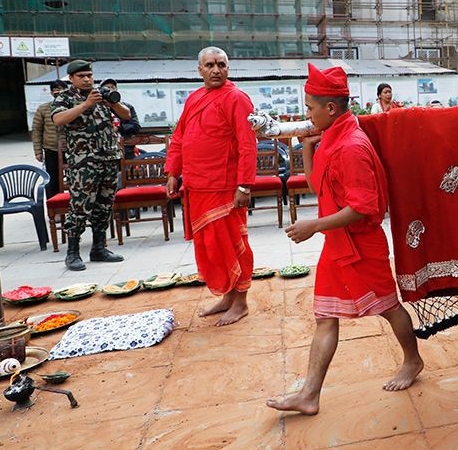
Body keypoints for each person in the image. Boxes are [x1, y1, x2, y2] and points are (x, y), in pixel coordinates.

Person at [267, 64, 423, 415]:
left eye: (310, 108)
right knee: (325, 316)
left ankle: (412, 361)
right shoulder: (331, 138)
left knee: (388, 307)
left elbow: (364, 207)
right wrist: (306, 147)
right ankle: (309, 393)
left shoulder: (350, 146)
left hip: (362, 245)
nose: (306, 114)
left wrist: (315, 225)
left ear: (331, 109)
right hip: (338, 245)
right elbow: (316, 185)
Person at [165, 47, 257, 326]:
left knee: (232, 244)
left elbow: (247, 143)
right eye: (210, 65)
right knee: (211, 247)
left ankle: (240, 303)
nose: (216, 70)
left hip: (224, 188)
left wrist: (244, 185)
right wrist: (172, 172)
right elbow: (179, 138)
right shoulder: (194, 98)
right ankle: (228, 297)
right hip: (197, 186)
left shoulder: (237, 99)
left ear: (228, 68)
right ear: (200, 70)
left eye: (221, 65)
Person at [51, 60, 129, 271]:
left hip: (109, 160)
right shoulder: (65, 98)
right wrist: (85, 105)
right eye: (81, 76)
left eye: (89, 75)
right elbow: (58, 120)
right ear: (71, 79)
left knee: (104, 205)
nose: (87, 79)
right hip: (84, 164)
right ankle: (73, 253)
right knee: (80, 207)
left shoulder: (101, 94)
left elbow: (126, 115)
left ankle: (99, 248)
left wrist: (112, 102)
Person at [32, 80, 68, 195]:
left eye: (62, 89)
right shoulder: (43, 109)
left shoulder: (73, 107)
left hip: (72, 149)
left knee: (74, 179)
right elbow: (36, 130)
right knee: (52, 180)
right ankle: (54, 207)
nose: (59, 92)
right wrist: (38, 151)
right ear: (52, 93)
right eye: (56, 90)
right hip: (51, 149)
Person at [102, 79, 141, 159]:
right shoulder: (97, 107)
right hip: (104, 151)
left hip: (126, 149)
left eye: (113, 87)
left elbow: (136, 126)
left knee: (129, 170)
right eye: (107, 88)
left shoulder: (126, 107)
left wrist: (119, 128)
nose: (110, 90)